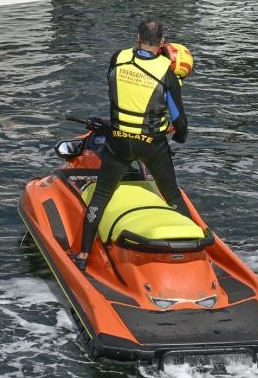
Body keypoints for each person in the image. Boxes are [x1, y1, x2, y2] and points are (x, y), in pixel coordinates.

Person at [74, 19, 188, 270]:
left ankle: (82, 255)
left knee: (102, 195)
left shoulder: (118, 58)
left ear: (137, 37)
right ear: (162, 42)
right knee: (172, 195)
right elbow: (180, 121)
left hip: (119, 141)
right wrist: (178, 136)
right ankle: (192, 253)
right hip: (151, 144)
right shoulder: (166, 70)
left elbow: (123, 87)